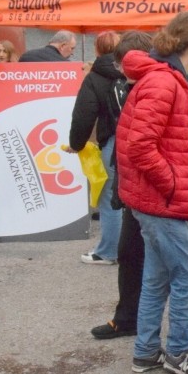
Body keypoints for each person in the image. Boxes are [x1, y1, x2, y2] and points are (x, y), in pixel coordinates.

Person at [92, 30, 188, 347]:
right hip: (146, 191)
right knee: (134, 255)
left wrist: (172, 185)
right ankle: (128, 320)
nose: (121, 69)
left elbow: (169, 145)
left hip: (165, 192)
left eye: (123, 63)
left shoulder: (162, 85)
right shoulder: (147, 84)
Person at [116, 12, 188, 374]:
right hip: (160, 201)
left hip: (153, 201)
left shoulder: (165, 78)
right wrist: (173, 183)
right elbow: (140, 146)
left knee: (157, 278)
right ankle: (178, 353)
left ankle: (145, 352)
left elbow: (155, 140)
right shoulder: (164, 82)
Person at [69, 30, 125, 265]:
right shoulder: (134, 73)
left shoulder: (94, 77)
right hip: (138, 141)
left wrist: (76, 144)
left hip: (112, 143)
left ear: (97, 50)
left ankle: (109, 251)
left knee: (109, 197)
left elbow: (84, 115)